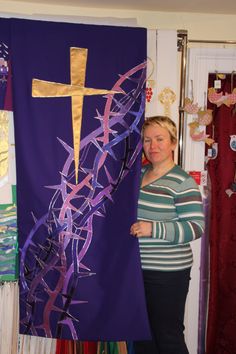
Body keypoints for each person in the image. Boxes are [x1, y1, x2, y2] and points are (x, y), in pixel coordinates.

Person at [130, 116, 205, 354]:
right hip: (137, 270)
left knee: (168, 337)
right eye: (147, 140)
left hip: (168, 274)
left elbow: (195, 227)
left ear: (173, 143)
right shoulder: (138, 175)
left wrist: (153, 228)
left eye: (160, 139)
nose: (153, 146)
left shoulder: (182, 182)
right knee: (142, 335)